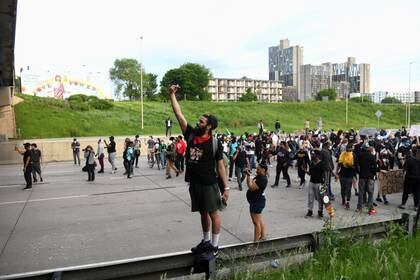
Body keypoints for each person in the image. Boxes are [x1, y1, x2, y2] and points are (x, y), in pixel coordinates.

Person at [169, 84, 229, 257]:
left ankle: (215, 247)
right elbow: (178, 114)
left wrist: (226, 188)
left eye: (201, 121)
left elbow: (220, 166)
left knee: (213, 213)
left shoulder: (215, 143)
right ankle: (206, 241)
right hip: (194, 182)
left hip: (209, 183)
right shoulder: (191, 134)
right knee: (203, 213)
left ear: (209, 126)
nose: (198, 122)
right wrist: (172, 95)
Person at [246, 163, 268, 242]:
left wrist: (250, 178)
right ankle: (262, 236)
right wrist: (248, 176)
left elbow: (251, 187)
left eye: (258, 169)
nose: (257, 170)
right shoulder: (258, 176)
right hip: (255, 202)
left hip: (257, 202)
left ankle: (256, 241)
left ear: (263, 170)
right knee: (259, 220)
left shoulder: (263, 179)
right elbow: (249, 184)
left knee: (256, 223)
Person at [355, 144, 377, 215]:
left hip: (362, 176)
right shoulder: (372, 156)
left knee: (361, 192)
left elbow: (356, 165)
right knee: (370, 193)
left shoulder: (359, 156)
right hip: (370, 176)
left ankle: (359, 208)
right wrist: (373, 173)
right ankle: (370, 209)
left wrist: (359, 172)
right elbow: (375, 167)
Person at [305, 150, 326, 218]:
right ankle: (310, 211)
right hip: (311, 182)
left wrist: (325, 183)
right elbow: (310, 173)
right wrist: (305, 171)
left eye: (313, 154)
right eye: (311, 154)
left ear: (317, 155)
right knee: (310, 197)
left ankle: (320, 212)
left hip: (319, 183)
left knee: (320, 199)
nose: (311, 155)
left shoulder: (322, 164)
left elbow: (325, 174)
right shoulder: (312, 163)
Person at [398, 146, 420, 210]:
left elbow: (404, 170)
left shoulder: (409, 160)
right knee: (417, 192)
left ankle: (403, 204)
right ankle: (416, 206)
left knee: (406, 192)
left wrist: (402, 163)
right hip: (418, 179)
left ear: (412, 153)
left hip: (409, 178)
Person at [335, 144, 355, 209]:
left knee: (348, 188)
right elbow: (339, 164)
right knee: (343, 188)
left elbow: (355, 166)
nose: (349, 150)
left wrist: (350, 166)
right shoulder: (342, 154)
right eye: (348, 148)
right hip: (343, 174)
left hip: (349, 175)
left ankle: (347, 202)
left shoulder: (353, 155)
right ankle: (344, 200)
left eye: (350, 148)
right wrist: (336, 172)